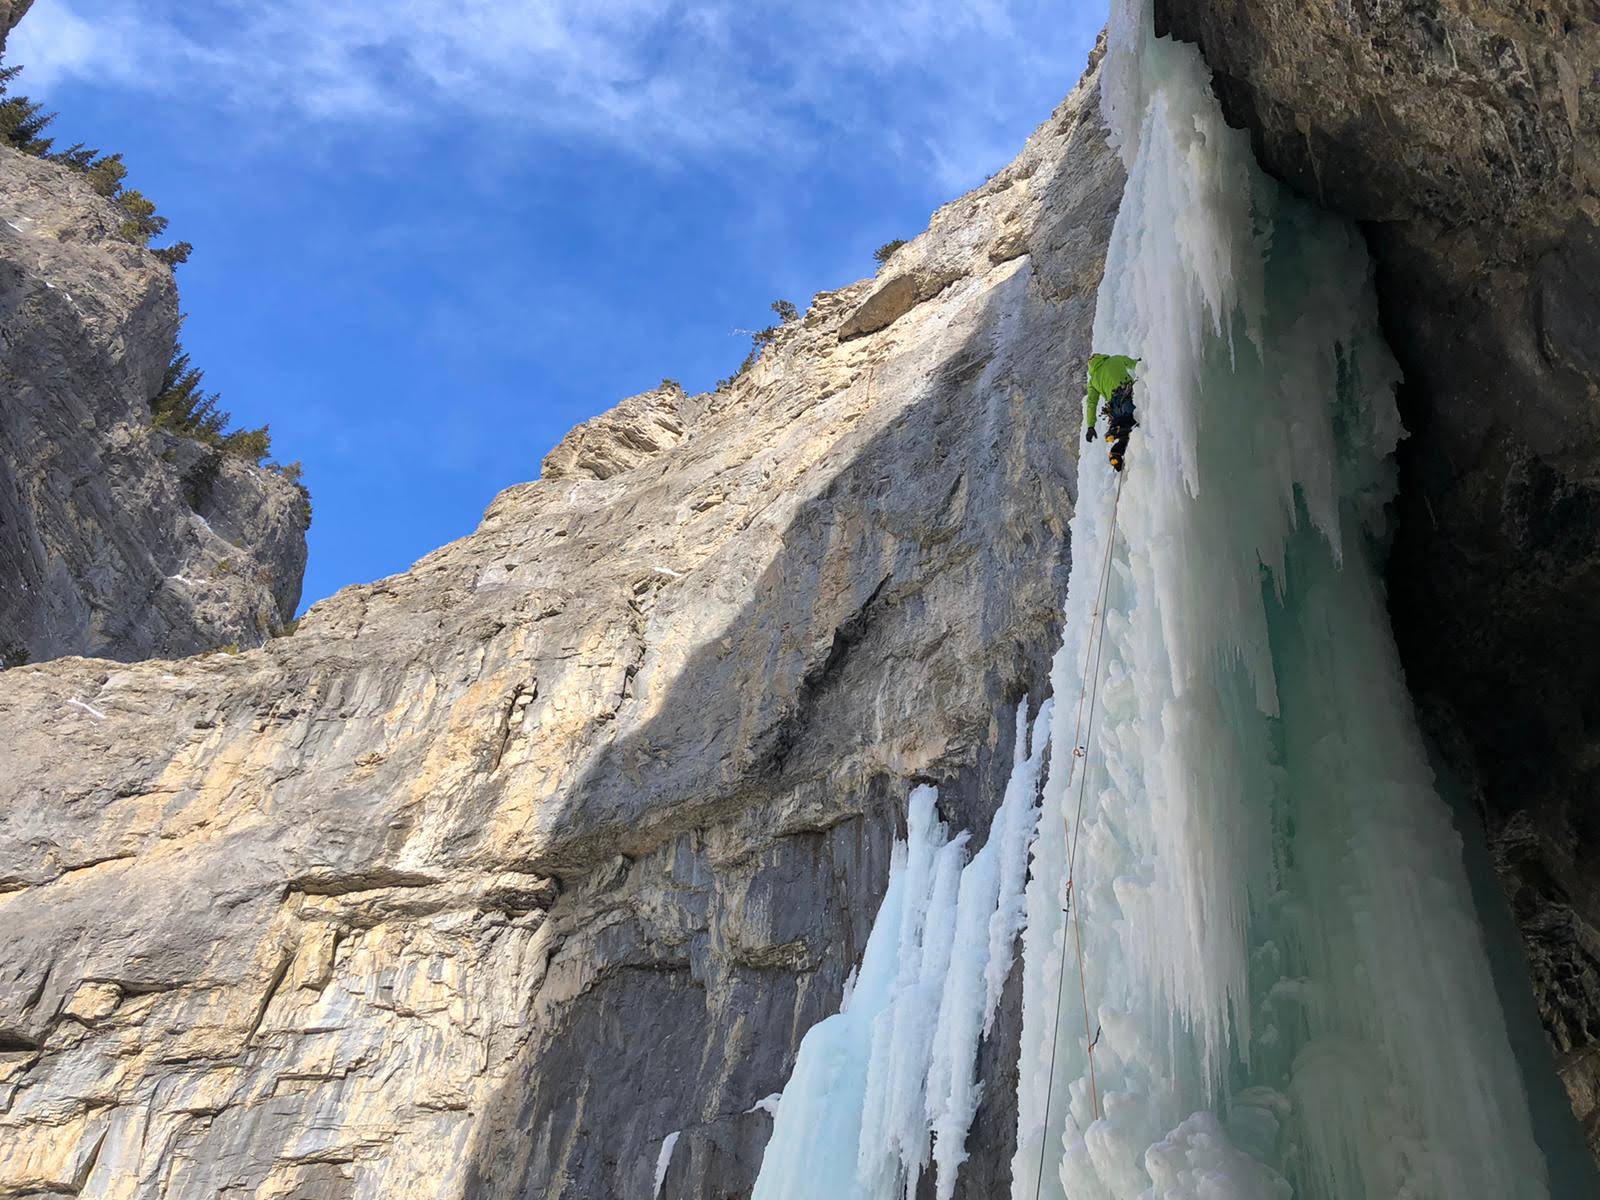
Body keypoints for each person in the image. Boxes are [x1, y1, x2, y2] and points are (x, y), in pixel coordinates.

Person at [1082, 353, 1139, 472]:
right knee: (1133, 418)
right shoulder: (1116, 359)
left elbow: (1091, 403)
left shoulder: (1093, 381)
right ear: (1101, 357)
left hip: (1114, 407)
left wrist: (1091, 426)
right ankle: (1119, 430)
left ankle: (1116, 451)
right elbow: (1135, 364)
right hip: (1127, 395)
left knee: (1125, 433)